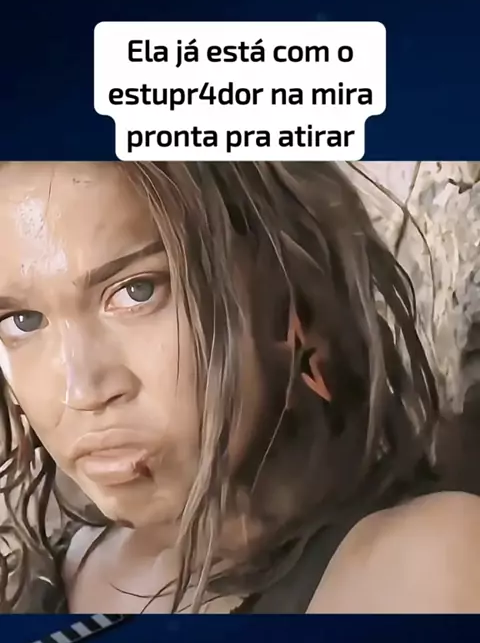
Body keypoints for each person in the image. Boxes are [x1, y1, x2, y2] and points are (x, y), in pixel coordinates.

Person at [0, 160, 478, 615]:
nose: (81, 392)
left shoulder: (425, 568)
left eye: (137, 291)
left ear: (284, 288)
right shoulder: (56, 569)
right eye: (22, 321)